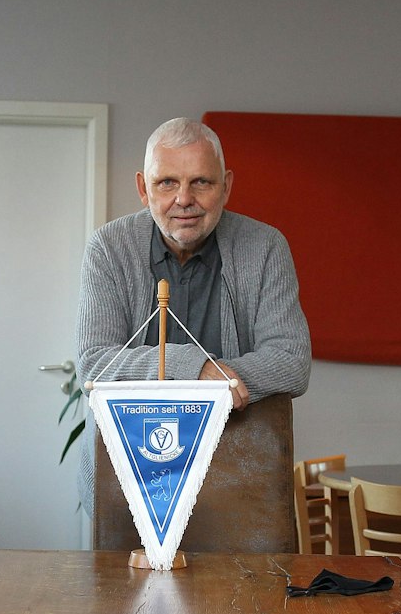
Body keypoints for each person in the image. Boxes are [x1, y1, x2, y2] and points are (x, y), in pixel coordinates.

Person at [76, 117, 310, 407]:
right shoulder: (108, 247)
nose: (184, 199)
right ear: (143, 189)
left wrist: (208, 380)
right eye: (166, 183)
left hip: (235, 446)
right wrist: (194, 369)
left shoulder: (266, 247)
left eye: (201, 182)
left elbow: (291, 360)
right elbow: (94, 365)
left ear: (226, 187)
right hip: (127, 446)